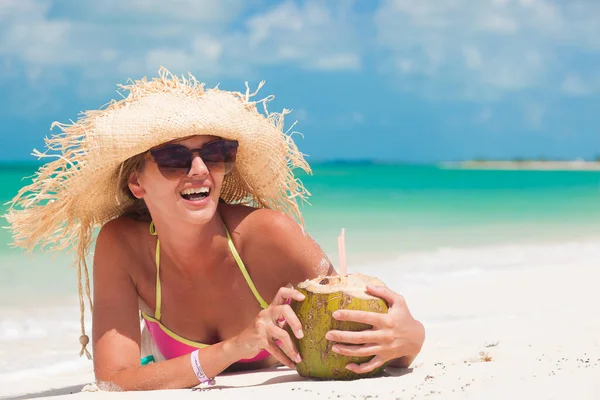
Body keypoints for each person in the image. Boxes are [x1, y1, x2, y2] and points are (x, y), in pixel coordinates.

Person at [5, 68, 425, 391]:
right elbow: (114, 380)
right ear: (137, 183)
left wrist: (409, 339)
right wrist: (234, 347)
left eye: (216, 152)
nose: (201, 170)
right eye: (174, 158)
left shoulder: (267, 234)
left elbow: (351, 335)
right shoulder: (122, 244)